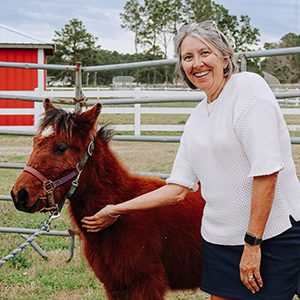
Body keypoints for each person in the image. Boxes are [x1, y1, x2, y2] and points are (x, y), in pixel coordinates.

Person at [81, 21, 300, 300]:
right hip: (220, 241)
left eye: (204, 53)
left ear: (224, 56)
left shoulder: (248, 88)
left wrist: (252, 244)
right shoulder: (197, 118)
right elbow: (177, 188)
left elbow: (266, 172)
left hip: (270, 235)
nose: (197, 63)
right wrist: (116, 209)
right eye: (188, 57)